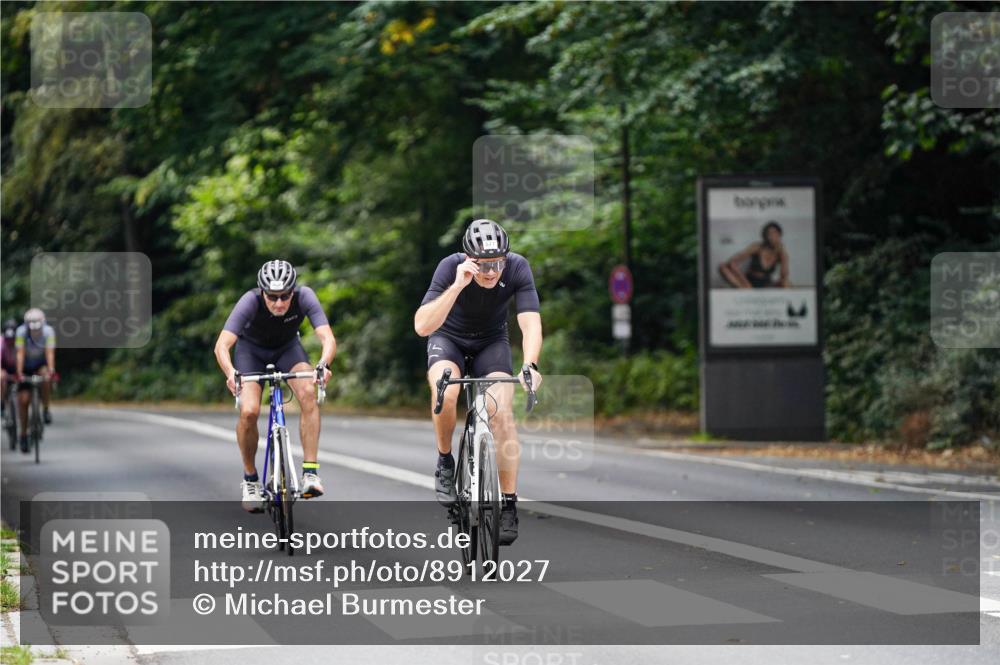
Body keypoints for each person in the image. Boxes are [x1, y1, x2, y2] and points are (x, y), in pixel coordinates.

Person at [414, 219, 543, 546]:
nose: (491, 271)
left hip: (491, 343)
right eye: (483, 264)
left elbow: (529, 324)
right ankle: (445, 460)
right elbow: (422, 325)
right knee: (447, 388)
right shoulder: (450, 268)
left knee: (501, 412)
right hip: (448, 340)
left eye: (497, 262)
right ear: (468, 258)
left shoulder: (517, 268)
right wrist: (457, 285)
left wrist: (530, 364)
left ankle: (509, 504)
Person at [214, 260, 336, 512]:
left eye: (284, 296)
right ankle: (250, 480)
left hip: (287, 350)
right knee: (249, 411)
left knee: (307, 392)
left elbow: (327, 337)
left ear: (293, 291)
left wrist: (323, 364)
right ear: (262, 292)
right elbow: (222, 345)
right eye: (272, 297)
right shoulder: (249, 301)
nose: (279, 303)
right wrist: (231, 373)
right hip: (251, 353)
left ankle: (310, 474)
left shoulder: (305, 296)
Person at [15, 308, 57, 452]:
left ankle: (45, 408)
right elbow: (20, 354)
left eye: (38, 329)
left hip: (40, 364)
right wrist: (19, 373)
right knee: (24, 400)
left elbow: (49, 353)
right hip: (26, 365)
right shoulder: (20, 332)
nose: (35, 332)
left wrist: (51, 371)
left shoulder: (48, 332)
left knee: (46, 377)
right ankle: (23, 435)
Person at [718, 221, 790, 288]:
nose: (772, 236)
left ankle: (747, 291)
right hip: (748, 281)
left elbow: (784, 277)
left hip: (766, 284)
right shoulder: (757, 247)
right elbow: (733, 260)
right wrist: (741, 276)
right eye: (769, 234)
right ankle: (747, 289)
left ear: (780, 235)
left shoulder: (781, 252)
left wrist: (783, 254)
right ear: (765, 236)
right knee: (722, 266)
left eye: (775, 233)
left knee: (786, 283)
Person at [1, 319, 18, 414]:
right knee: (1, 378)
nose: (11, 341)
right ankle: (2, 402)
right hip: (4, 367)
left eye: (13, 338)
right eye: (8, 338)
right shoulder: (1, 342)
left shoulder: (20, 342)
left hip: (17, 367)